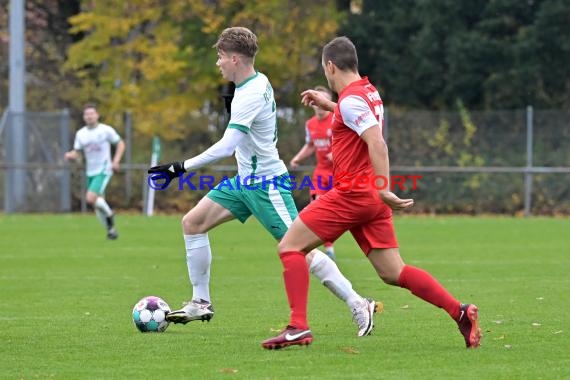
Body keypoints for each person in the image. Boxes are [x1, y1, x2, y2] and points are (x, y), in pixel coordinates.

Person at [147, 27, 380, 337]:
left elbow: (227, 146)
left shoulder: (251, 93)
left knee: (302, 250)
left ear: (234, 59)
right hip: (245, 182)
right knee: (192, 223)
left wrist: (179, 167)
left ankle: (358, 302)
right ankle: (201, 301)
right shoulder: (257, 80)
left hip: (268, 185)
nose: (218, 64)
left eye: (220, 58)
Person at [262, 36, 481, 350]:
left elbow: (377, 142)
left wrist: (384, 187)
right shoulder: (367, 92)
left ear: (330, 66)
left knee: (290, 247)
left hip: (352, 194)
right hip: (369, 199)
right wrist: (329, 106)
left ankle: (298, 326)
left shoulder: (352, 99)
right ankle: (459, 312)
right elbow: (354, 118)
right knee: (394, 272)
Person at [64, 104, 125, 240]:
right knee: (97, 205)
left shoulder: (105, 130)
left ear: (97, 115)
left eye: (92, 113)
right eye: (87, 114)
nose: (89, 116)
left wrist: (116, 161)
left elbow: (120, 143)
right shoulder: (81, 134)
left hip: (103, 169)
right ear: (84, 117)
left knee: (91, 198)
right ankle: (111, 231)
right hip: (90, 171)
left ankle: (110, 215)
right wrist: (70, 155)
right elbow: (77, 152)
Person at [290, 85, 336, 260]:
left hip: (339, 173)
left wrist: (337, 152)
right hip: (320, 172)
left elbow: (351, 140)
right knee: (316, 205)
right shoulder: (310, 124)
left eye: (322, 100)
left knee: (334, 212)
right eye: (315, 101)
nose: (318, 104)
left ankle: (327, 242)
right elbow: (310, 145)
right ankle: (327, 247)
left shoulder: (336, 119)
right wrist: (297, 158)